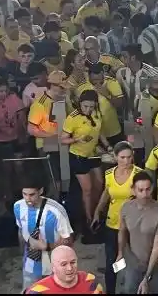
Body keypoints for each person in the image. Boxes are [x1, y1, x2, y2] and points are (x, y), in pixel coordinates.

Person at [93, 142, 141, 294]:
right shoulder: (109, 174)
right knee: (111, 262)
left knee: (134, 260)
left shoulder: (139, 175)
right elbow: (106, 193)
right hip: (113, 223)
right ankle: (112, 290)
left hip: (133, 225)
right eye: (122, 157)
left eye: (129, 157)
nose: (126, 161)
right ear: (115, 157)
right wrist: (97, 211)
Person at [117, 171, 158, 294]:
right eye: (140, 190)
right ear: (133, 190)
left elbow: (157, 247)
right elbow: (122, 232)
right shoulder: (126, 208)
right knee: (129, 290)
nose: (144, 194)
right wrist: (120, 253)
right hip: (134, 262)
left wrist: (146, 277)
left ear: (152, 188)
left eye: (148, 189)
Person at [14, 176, 73, 291]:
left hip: (54, 266)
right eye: (24, 194)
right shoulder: (18, 207)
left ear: (40, 191)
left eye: (32, 194)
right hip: (30, 264)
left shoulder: (55, 210)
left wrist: (46, 246)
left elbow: (68, 239)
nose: (28, 199)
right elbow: (21, 231)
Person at [61, 89, 107, 226]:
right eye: (85, 106)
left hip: (93, 154)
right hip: (78, 156)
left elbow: (100, 132)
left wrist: (107, 146)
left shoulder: (97, 113)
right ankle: (88, 217)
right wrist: (77, 139)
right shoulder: (73, 118)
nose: (88, 109)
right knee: (87, 189)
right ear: (80, 104)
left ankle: (97, 210)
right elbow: (63, 139)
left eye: (91, 107)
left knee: (99, 184)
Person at [25, 246, 103, 294]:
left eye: (73, 262)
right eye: (64, 264)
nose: (70, 268)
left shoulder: (90, 281)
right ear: (53, 267)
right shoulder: (37, 291)